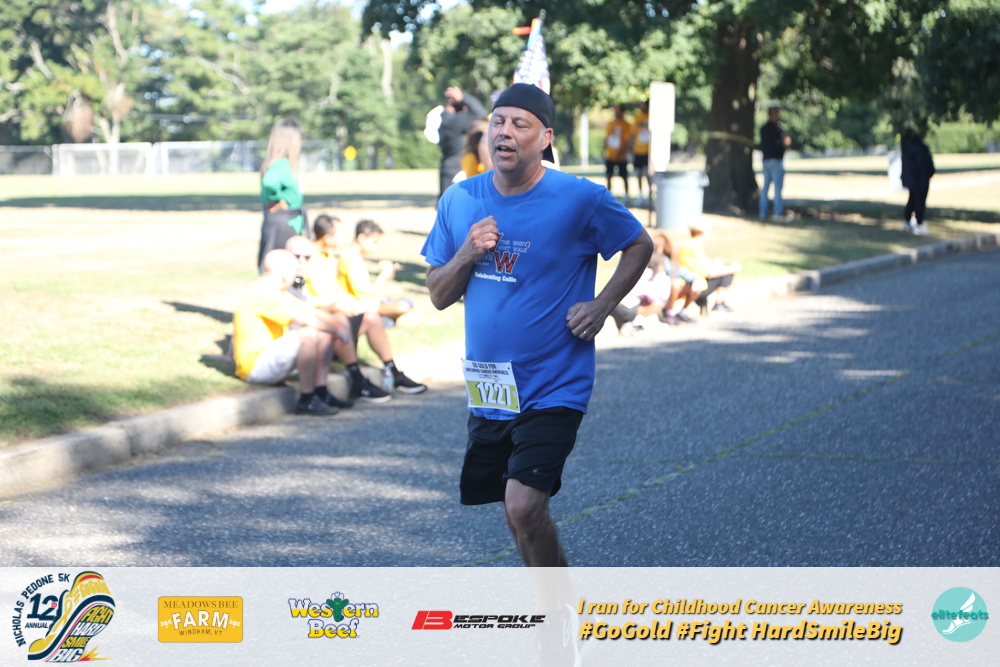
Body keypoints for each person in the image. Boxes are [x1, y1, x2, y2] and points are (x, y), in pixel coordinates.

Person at [421, 82, 653, 572]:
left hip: (555, 383)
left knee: (524, 506)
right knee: (517, 516)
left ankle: (556, 613)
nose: (504, 132)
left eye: (519, 124)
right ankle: (559, 604)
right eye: (498, 122)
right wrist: (466, 254)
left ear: (545, 138)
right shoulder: (459, 199)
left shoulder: (579, 198)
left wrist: (603, 305)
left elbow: (639, 244)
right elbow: (439, 295)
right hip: (491, 386)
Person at [289, 233, 427, 397]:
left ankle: (393, 371)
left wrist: (339, 306)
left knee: (370, 318)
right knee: (340, 319)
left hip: (330, 321)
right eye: (297, 256)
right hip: (310, 334)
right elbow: (300, 314)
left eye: (307, 257)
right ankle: (357, 379)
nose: (302, 261)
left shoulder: (314, 269)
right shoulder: (285, 278)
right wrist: (333, 308)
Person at [232, 249, 354, 416]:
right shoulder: (261, 292)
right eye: (294, 271)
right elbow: (305, 319)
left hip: (270, 361)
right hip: (254, 368)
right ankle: (307, 399)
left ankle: (321, 392)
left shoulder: (274, 291)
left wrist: (337, 325)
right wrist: (339, 331)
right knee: (308, 334)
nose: (296, 276)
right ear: (284, 272)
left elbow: (310, 310)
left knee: (323, 335)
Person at [339, 219, 416, 328]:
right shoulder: (350, 258)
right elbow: (363, 293)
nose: (375, 247)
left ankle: (394, 320)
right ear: (362, 238)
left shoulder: (355, 257)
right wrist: (383, 275)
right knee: (402, 306)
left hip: (364, 305)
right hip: (355, 307)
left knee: (407, 305)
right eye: (374, 242)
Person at [258, 117, 310, 273]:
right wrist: (278, 199)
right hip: (284, 225)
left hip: (285, 224)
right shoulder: (281, 164)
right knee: (282, 271)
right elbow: (269, 182)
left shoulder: (279, 164)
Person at [432, 86, 487, 199]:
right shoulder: (457, 121)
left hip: (447, 169)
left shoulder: (445, 120)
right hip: (459, 170)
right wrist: (463, 98)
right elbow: (481, 113)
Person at [676, 219, 740, 315]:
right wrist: (732, 269)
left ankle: (718, 304)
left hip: (693, 280)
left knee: (725, 269)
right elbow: (709, 273)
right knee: (727, 273)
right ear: (702, 232)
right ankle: (719, 304)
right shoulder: (694, 247)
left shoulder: (690, 244)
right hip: (695, 284)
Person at [759, 105, 793, 221]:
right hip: (776, 161)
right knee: (777, 189)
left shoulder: (763, 129)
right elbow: (787, 141)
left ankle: (762, 212)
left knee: (765, 188)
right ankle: (778, 213)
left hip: (766, 161)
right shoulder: (777, 129)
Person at [900, 129, 935, 236]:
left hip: (912, 179)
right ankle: (919, 224)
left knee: (912, 199)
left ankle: (907, 221)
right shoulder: (921, 148)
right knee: (920, 201)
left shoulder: (907, 147)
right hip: (920, 178)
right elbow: (924, 164)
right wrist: (930, 171)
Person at [604, 106, 633, 205]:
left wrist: (621, 153)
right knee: (609, 176)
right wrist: (604, 150)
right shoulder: (610, 124)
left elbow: (627, 141)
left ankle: (626, 196)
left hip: (622, 157)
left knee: (624, 176)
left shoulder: (626, 125)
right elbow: (606, 138)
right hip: (610, 156)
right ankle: (608, 196)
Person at [632, 100, 651, 206]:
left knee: (648, 174)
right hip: (638, 151)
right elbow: (633, 133)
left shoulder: (652, 116)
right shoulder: (637, 117)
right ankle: (640, 195)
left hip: (649, 151)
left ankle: (650, 195)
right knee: (639, 174)